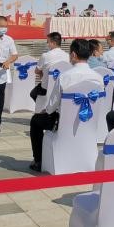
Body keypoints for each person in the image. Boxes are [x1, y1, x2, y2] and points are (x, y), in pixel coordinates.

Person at [28, 38, 102, 172]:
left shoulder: (65, 77)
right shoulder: (98, 77)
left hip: (63, 122)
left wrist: (46, 110)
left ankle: (38, 160)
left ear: (73, 54)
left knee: (35, 121)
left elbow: (52, 106)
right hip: (89, 122)